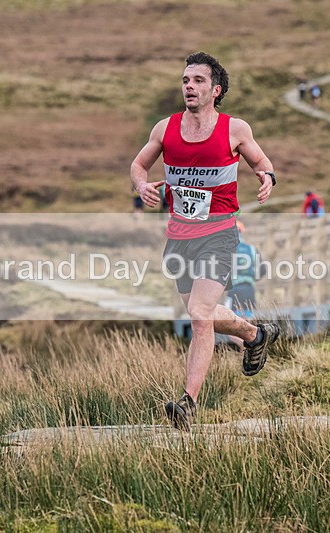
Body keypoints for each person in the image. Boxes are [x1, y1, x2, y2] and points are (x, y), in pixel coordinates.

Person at [130, 52, 281, 432]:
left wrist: (267, 178)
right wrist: (141, 185)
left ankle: (188, 403)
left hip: (219, 233)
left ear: (215, 90)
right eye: (185, 80)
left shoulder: (235, 130)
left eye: (198, 80)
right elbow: (138, 165)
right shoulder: (165, 129)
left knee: (200, 314)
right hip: (179, 237)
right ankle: (255, 334)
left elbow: (263, 163)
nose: (189, 86)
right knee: (202, 314)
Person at [227, 220, 259, 319]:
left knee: (232, 321)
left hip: (234, 289)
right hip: (249, 288)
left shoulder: (226, 249)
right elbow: (259, 271)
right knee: (248, 319)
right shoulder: (252, 249)